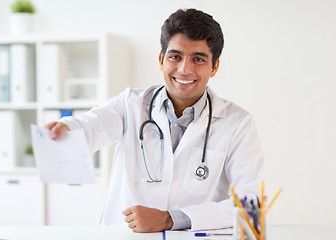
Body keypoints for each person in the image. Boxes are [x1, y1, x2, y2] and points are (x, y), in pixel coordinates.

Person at [45, 8, 263, 233]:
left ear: (214, 67)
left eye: (198, 59)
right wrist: (66, 129)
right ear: (161, 59)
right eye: (175, 56)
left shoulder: (237, 123)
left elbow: (249, 205)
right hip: (126, 235)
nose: (184, 69)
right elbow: (93, 125)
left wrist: (172, 219)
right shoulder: (130, 104)